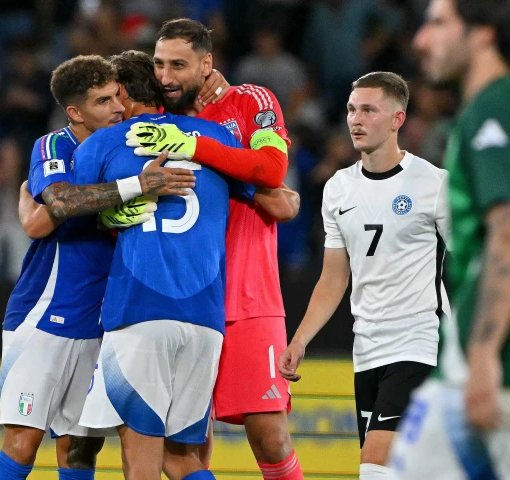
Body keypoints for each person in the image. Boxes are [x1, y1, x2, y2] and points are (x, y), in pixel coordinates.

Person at [0, 54, 196, 480]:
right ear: (75, 112)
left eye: (117, 97)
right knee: (22, 445)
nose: (117, 109)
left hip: (104, 322)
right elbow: (60, 203)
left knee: (80, 451)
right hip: (47, 313)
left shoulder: (128, 147)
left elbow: (43, 218)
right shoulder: (55, 146)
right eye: (103, 101)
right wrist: (139, 186)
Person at [125, 18, 305, 480]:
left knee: (269, 432)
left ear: (207, 64)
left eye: (179, 66)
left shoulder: (251, 101)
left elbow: (270, 167)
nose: (165, 76)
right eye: (159, 64)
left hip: (248, 294)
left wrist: (195, 144)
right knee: (187, 447)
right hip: (181, 299)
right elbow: (274, 196)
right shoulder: (152, 124)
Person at [278, 71, 451, 480]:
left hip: (421, 340)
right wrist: (299, 340)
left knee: (375, 465)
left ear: (397, 119)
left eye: (368, 110)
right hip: (367, 347)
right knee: (407, 468)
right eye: (352, 109)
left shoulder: (434, 184)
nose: (355, 119)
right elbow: (334, 278)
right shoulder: (339, 189)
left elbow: (471, 264)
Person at [388, 1, 510, 478]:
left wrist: (482, 355)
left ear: (481, 34)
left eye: (438, 23)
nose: (421, 40)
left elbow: (505, 232)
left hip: (486, 369)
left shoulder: (493, 109)